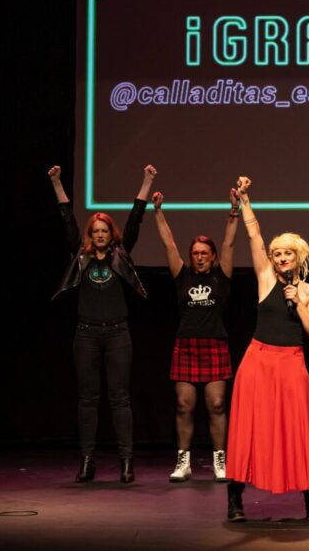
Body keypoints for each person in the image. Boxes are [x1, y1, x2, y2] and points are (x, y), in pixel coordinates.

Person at [225, 176, 309, 522]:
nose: (281, 258)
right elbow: (254, 235)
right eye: (277, 253)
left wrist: (299, 303)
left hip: (291, 363)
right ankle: (234, 500)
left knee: (296, 429)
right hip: (258, 360)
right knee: (248, 429)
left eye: (287, 254)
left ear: (299, 258)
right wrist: (246, 199)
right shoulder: (266, 279)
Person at [49, 164, 156, 484]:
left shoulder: (121, 256)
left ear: (111, 236)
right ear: (90, 235)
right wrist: (56, 182)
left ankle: (126, 462)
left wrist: (147, 181)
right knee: (87, 398)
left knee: (120, 398)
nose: (99, 235)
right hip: (86, 334)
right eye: (95, 231)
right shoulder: (79, 257)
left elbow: (136, 219)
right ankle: (87, 460)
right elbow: (67, 218)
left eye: (104, 231)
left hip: (117, 333)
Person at [150, 186, 239, 482]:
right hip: (186, 345)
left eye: (204, 254)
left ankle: (219, 461)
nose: (199, 257)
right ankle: (183, 462)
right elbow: (169, 245)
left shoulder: (221, 275)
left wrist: (234, 211)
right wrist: (159, 212)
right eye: (195, 254)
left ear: (212, 257)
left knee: (216, 404)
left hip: (214, 343)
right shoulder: (182, 276)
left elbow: (229, 243)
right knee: (184, 404)